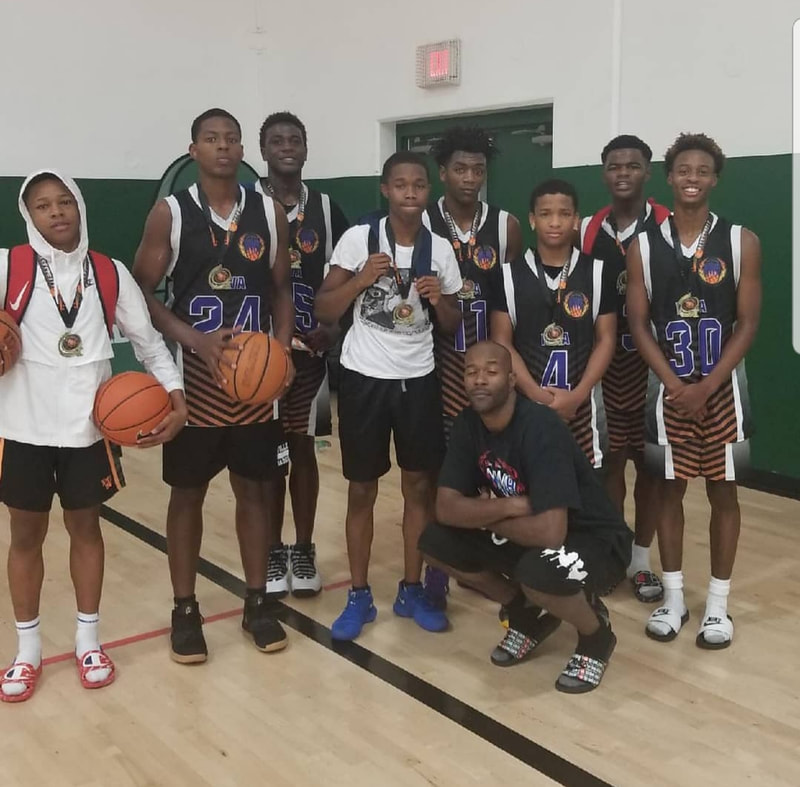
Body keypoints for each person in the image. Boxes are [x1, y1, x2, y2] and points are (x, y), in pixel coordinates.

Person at [0, 171, 186, 702]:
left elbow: (149, 345)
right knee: (25, 538)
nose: (56, 212)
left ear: (79, 206)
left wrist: (176, 395)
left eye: (64, 201)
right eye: (42, 205)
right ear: (28, 215)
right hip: (22, 427)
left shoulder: (109, 272)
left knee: (86, 530)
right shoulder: (7, 266)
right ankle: (27, 651)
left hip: (90, 429)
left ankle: (88, 642)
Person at [133, 108, 296, 663]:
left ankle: (257, 603)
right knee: (188, 495)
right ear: (194, 150)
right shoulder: (171, 213)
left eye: (231, 139)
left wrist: (282, 350)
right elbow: (140, 293)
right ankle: (185, 610)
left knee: (255, 491)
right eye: (211, 139)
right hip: (195, 385)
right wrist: (193, 340)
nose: (223, 147)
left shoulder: (269, 212)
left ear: (243, 150)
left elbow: (282, 288)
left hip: (255, 386)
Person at [419, 341, 632, 692]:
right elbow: (446, 508)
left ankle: (595, 636)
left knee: (537, 572)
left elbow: (551, 533)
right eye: (471, 372)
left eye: (491, 371)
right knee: (435, 542)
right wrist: (509, 506)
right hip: (524, 526)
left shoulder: (540, 427)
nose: (479, 380)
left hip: (595, 540)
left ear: (511, 379)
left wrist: (479, 513)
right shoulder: (467, 424)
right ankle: (527, 614)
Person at [314, 151, 462, 640]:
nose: (410, 193)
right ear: (385, 189)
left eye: (419, 184)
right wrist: (360, 280)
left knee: (418, 487)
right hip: (364, 378)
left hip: (418, 378)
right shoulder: (361, 238)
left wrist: (440, 300)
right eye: (401, 184)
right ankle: (358, 595)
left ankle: (411, 589)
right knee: (362, 488)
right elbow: (324, 309)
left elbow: (452, 323)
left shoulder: (439, 249)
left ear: (428, 191)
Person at [626, 133, 761, 648]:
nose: (692, 178)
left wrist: (707, 386)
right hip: (666, 391)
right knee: (668, 489)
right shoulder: (642, 245)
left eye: (703, 171)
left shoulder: (741, 240)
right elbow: (638, 325)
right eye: (684, 169)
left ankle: (718, 607)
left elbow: (747, 324)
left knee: (724, 493)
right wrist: (675, 385)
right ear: (669, 176)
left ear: (715, 179)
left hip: (724, 391)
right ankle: (675, 597)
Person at [422, 126, 523, 608]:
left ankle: (490, 556)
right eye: (460, 169)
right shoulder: (422, 222)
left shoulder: (505, 227)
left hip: (490, 371)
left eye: (478, 170)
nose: (469, 178)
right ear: (443, 173)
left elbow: (517, 299)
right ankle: (439, 566)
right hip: (435, 366)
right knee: (442, 471)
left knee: (493, 469)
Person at [254, 111, 349, 599]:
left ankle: (304, 548)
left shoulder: (328, 210)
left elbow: (349, 276)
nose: (287, 147)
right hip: (259, 358)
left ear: (306, 149)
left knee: (304, 451)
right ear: (263, 150)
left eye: (295, 139)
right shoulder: (246, 205)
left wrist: (334, 328)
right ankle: (273, 550)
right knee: (270, 458)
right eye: (277, 140)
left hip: (312, 355)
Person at [579, 135, 670, 603]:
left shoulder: (669, 225)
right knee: (611, 463)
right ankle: (615, 551)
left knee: (651, 467)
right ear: (604, 173)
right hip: (606, 362)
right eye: (615, 166)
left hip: (655, 365)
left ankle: (641, 559)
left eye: (632, 166)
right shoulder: (588, 228)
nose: (623, 173)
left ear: (647, 172)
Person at [491, 179, 617, 470]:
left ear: (576, 220)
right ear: (532, 220)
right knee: (530, 485)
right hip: (526, 405)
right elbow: (501, 342)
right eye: (546, 214)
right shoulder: (507, 275)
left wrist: (578, 395)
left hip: (583, 408)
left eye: (564, 214)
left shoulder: (598, 272)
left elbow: (606, 339)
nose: (555, 222)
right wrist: (538, 396)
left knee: (588, 486)